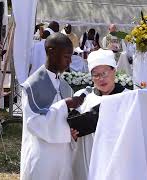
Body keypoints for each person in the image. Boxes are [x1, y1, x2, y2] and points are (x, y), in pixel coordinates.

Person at [20, 32, 85, 180]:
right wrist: (65, 104)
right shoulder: (32, 85)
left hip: (64, 156)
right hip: (43, 156)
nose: (69, 62)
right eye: (66, 57)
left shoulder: (63, 85)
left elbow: (66, 120)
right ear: (51, 51)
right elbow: (34, 123)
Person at [69, 49, 129, 180]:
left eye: (104, 73)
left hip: (118, 158)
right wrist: (71, 134)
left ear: (114, 71)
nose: (101, 79)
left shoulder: (128, 97)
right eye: (96, 75)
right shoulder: (83, 99)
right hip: (90, 159)